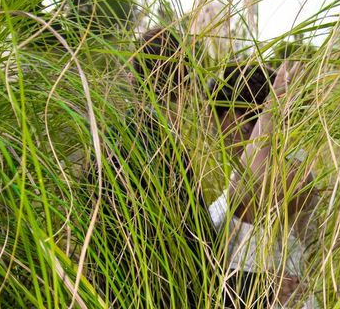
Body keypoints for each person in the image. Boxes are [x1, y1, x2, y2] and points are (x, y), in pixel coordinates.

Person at [91, 26, 215, 308]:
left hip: (112, 293)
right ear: (183, 82)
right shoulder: (165, 147)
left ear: (135, 77)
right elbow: (201, 244)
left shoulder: (107, 139)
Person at [207, 61, 319, 308]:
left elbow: (249, 196)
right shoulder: (240, 172)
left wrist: (270, 110)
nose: (215, 132)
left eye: (219, 117)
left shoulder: (294, 171)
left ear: (238, 120)